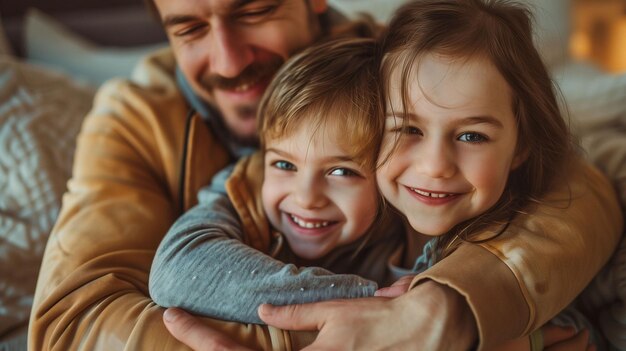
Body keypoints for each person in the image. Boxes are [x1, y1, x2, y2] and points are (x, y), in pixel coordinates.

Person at [28, 0, 622, 350]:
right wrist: (379, 325)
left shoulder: (392, 59)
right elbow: (69, 320)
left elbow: (574, 188)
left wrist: (455, 307)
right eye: (189, 28)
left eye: (254, 10)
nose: (230, 60)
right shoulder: (131, 118)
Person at [149, 38, 407, 324]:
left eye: (341, 172)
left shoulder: (417, 231)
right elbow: (177, 272)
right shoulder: (242, 188)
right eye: (284, 164)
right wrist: (377, 302)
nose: (306, 197)